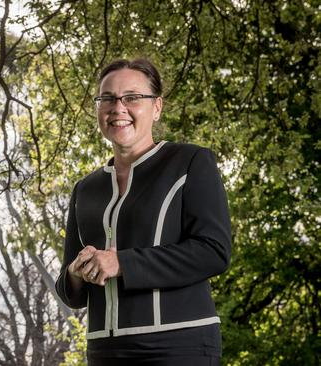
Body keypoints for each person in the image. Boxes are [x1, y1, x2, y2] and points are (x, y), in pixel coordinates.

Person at [55, 58, 232, 366]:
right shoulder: (85, 189)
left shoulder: (190, 163)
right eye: (107, 99)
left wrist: (121, 262)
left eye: (132, 98)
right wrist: (74, 273)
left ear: (157, 106)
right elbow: (73, 295)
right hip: (104, 351)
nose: (118, 108)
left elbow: (213, 251)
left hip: (180, 345)